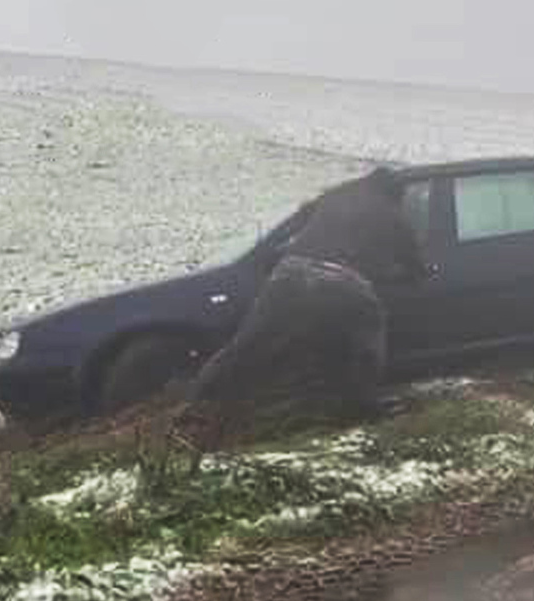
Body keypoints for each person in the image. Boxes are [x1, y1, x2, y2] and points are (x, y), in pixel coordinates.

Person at [173, 167, 428, 445]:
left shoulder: (337, 194)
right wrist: (403, 274)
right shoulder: (392, 215)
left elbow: (295, 222)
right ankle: (362, 405)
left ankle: (195, 403)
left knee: (248, 342)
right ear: (394, 193)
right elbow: (415, 270)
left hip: (291, 272)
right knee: (368, 332)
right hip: (340, 280)